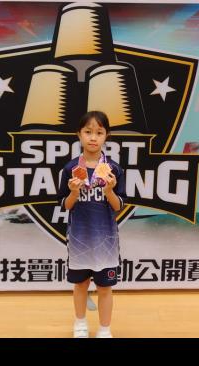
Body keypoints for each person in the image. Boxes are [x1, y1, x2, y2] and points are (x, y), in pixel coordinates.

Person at [57, 110, 127, 338]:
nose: (93, 137)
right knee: (80, 284)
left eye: (99, 132)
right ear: (79, 134)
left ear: (107, 136)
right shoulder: (70, 169)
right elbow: (65, 205)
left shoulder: (114, 169)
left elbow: (118, 206)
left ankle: (105, 328)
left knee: (105, 287)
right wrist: (73, 192)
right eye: (88, 132)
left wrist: (109, 191)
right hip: (79, 239)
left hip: (106, 240)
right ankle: (80, 324)